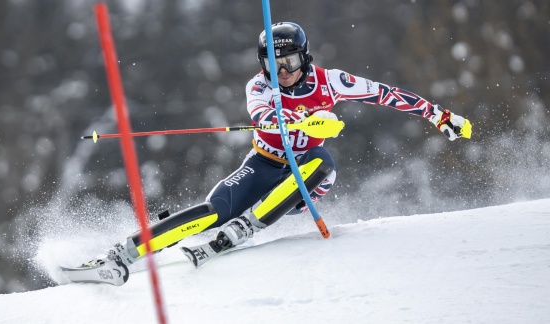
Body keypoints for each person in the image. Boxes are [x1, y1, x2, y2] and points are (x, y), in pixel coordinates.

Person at [83, 22, 471, 269]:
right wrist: (298, 120)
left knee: (321, 159)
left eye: (288, 62)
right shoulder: (259, 85)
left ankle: (247, 227)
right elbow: (261, 116)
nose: (281, 72)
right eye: (272, 64)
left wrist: (438, 115)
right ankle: (124, 253)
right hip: (263, 165)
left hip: (305, 179)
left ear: (304, 56)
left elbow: (385, 94)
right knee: (210, 211)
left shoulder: (331, 81)